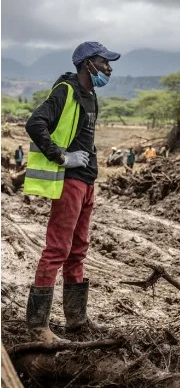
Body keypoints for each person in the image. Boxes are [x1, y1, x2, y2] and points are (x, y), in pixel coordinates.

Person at [23, 41, 119, 343]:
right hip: (69, 181)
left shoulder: (90, 95)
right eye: (104, 63)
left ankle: (77, 321)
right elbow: (34, 123)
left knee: (78, 250)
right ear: (88, 64)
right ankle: (38, 327)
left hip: (87, 181)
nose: (109, 68)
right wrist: (62, 156)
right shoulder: (65, 91)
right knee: (57, 250)